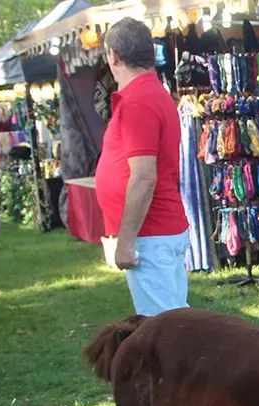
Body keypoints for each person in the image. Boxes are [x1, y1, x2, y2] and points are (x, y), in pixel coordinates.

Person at [95, 18, 191, 316]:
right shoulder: (149, 94)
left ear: (113, 56)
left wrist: (125, 243)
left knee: (162, 330)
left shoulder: (139, 100)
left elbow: (144, 177)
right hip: (157, 230)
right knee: (172, 322)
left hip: (151, 233)